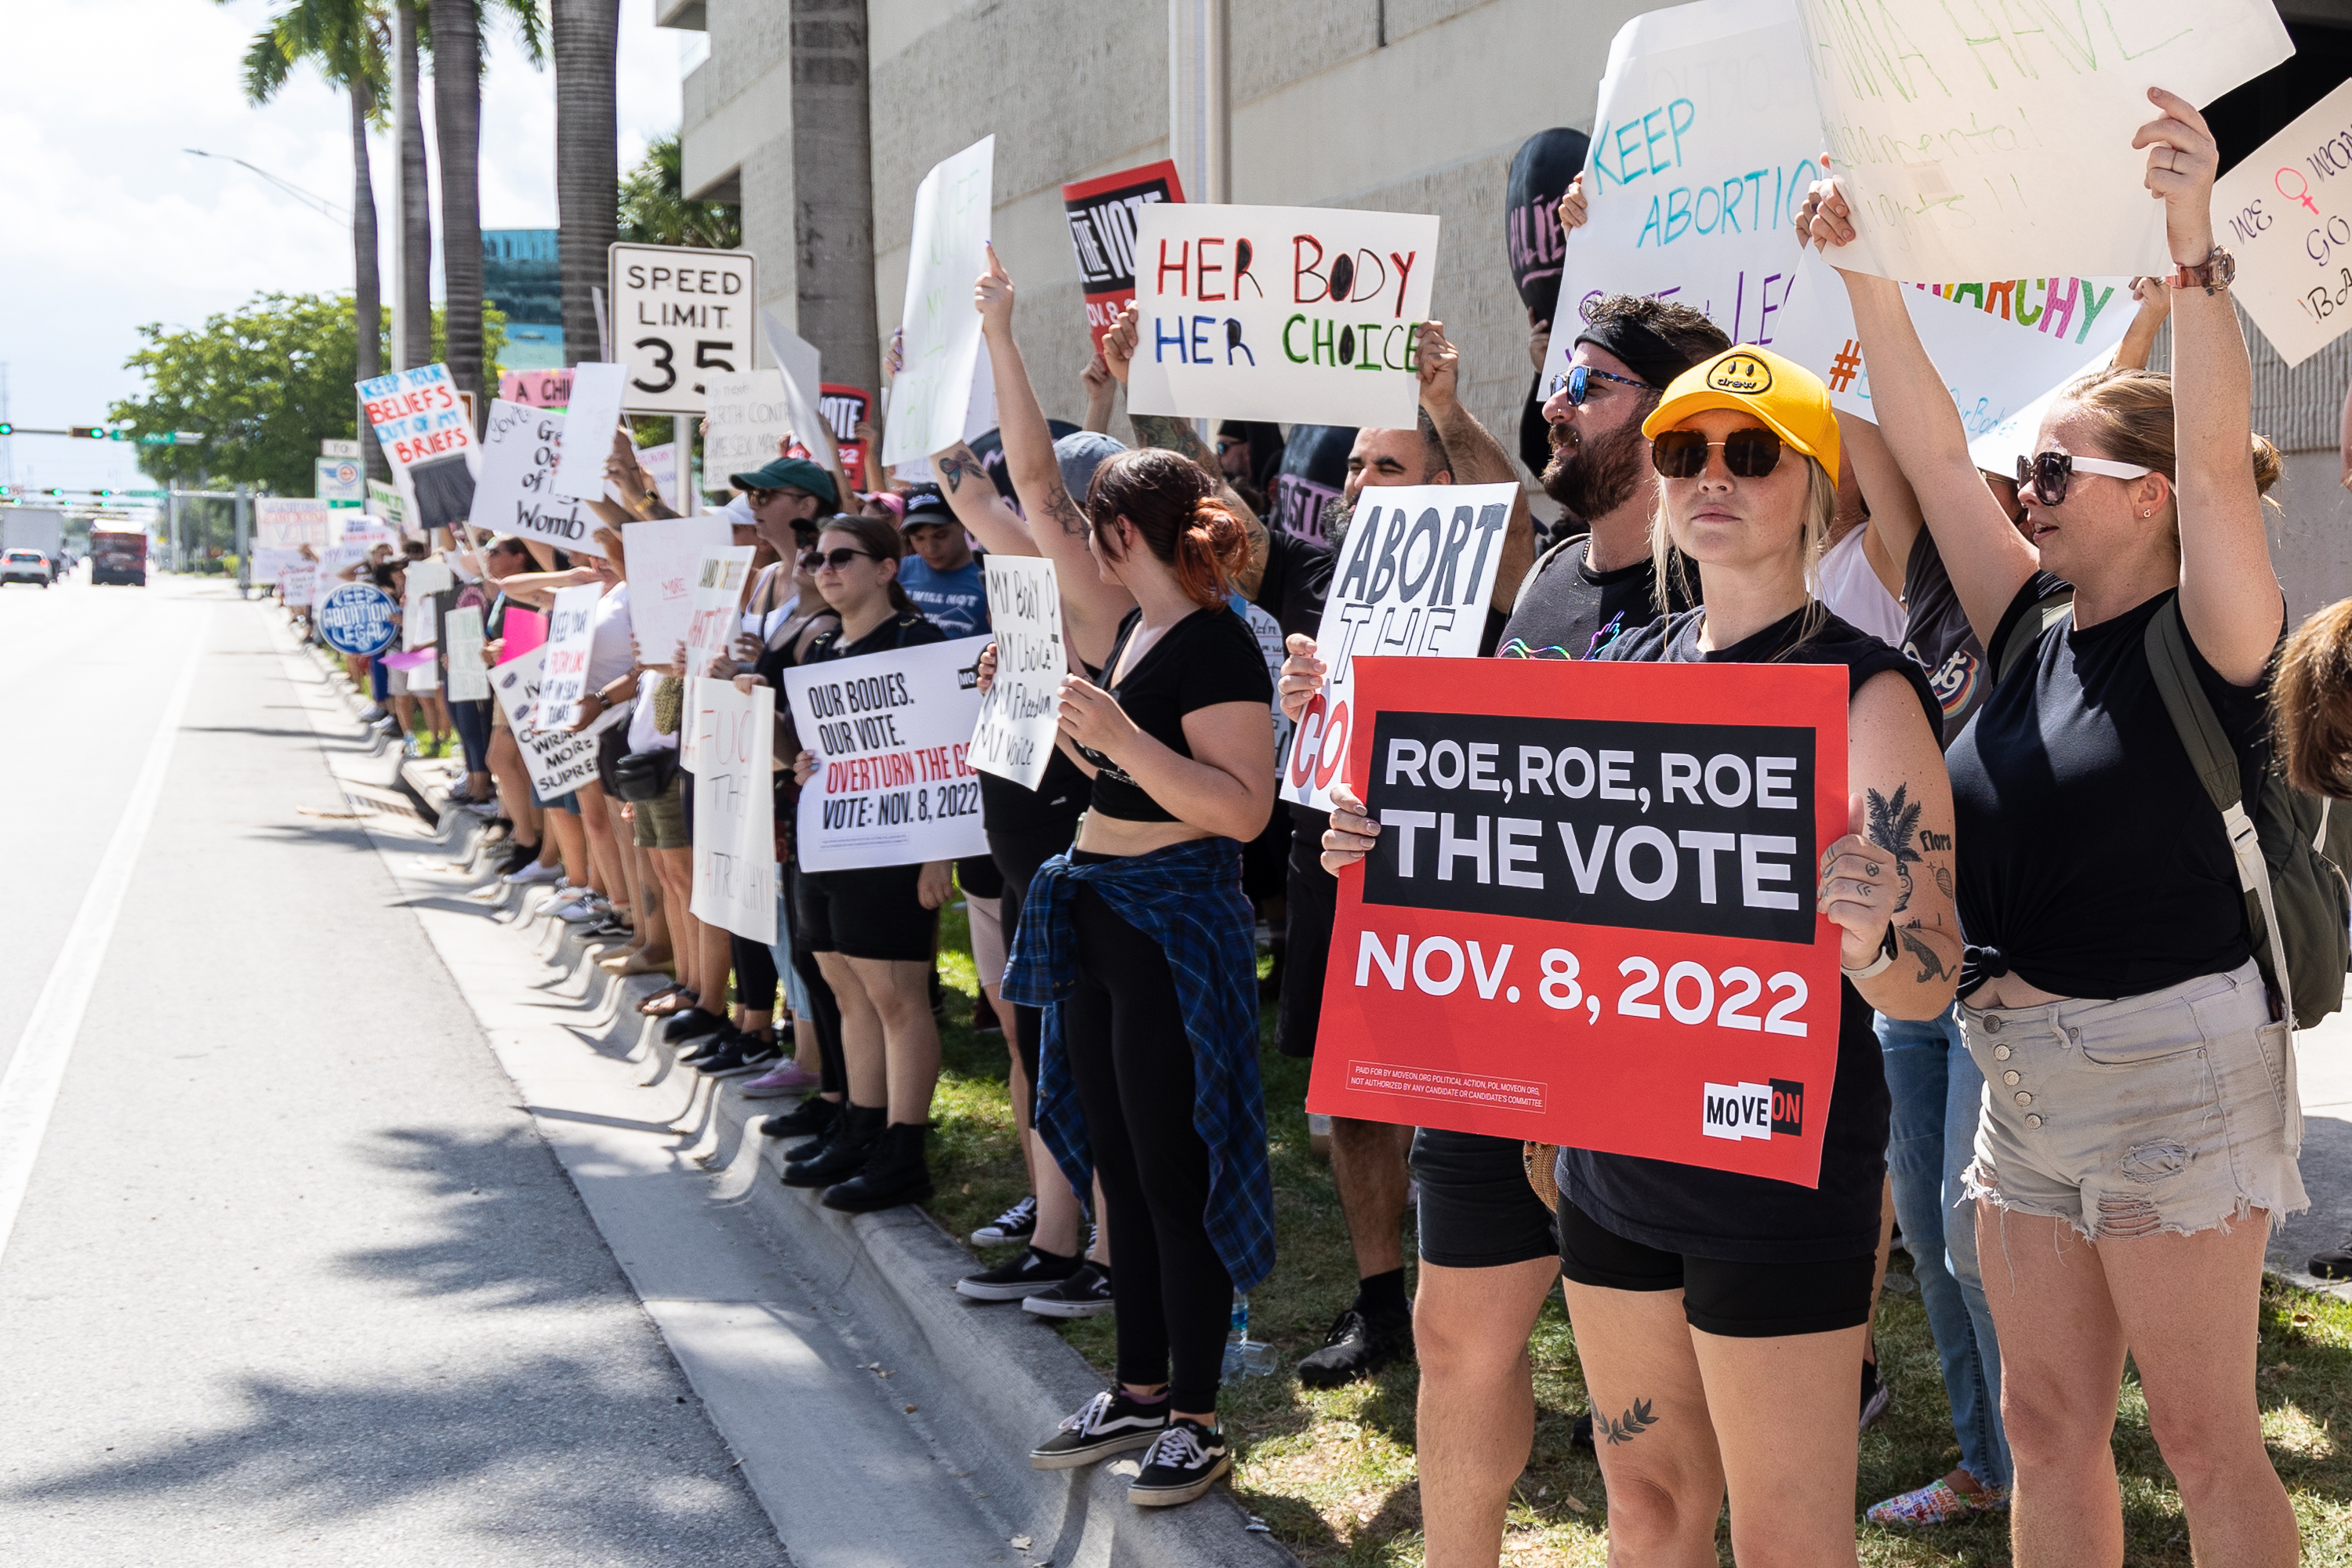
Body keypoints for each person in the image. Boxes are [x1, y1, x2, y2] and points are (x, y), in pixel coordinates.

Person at [1323, 339, 1955, 1565]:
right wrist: (1392, 855)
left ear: (1815, 493)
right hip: (1616, 1163)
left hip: (1780, 1167)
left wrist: (1870, 936)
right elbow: (1536, 896)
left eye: (1753, 453)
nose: (1714, 476)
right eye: (1684, 453)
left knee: (1784, 1535)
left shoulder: (1865, 692)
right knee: (1649, 1506)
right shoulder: (1623, 669)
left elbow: (1927, 977)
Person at [1809, 89, 2304, 1567]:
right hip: (2015, 1069)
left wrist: (2194, 252)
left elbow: (2221, 463)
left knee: (2207, 1443)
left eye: (2058, 474)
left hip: (2177, 1066)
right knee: (2043, 1426)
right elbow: (1933, 448)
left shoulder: (2214, 628)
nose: (2024, 490)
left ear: (2146, 503)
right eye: (2030, 470)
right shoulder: (2027, 620)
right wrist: (1863, 273)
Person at [1277, 292, 1728, 1564]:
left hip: (1644, 1053)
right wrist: (1366, 799)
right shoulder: (1546, 595)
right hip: (1498, 1042)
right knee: (1452, 1339)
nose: (1559, 403)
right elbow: (1489, 794)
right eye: (1559, 381)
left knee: (1644, 1420)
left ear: (1677, 410)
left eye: (1589, 385)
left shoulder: (1737, 596)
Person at [998, 446, 1273, 1510]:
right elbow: (1123, 781)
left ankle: (1197, 1417)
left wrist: (1114, 730)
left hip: (1173, 929)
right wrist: (1077, 728)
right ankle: (1141, 1387)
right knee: (1122, 1162)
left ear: (1120, 535)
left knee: (1174, 1174)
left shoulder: (1218, 645)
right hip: (1109, 915)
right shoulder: (1137, 634)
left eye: (1088, 529)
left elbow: (1240, 807)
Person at [780, 513, 955, 1212]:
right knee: (846, 987)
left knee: (896, 996)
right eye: (818, 558)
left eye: (842, 557)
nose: (825, 568)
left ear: (886, 569)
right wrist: (801, 763)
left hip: (897, 846)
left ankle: (904, 1149)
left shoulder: (919, 643)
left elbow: (948, 752)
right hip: (829, 839)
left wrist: (939, 854)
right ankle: (863, 1124)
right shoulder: (819, 646)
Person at [895, 485, 990, 637]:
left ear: (962, 523)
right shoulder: (899, 571)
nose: (930, 548)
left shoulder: (990, 576)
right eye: (919, 538)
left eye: (940, 536)